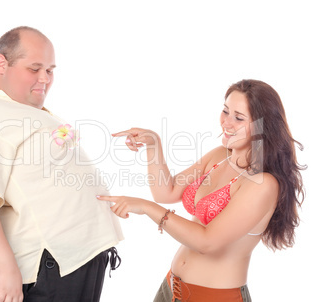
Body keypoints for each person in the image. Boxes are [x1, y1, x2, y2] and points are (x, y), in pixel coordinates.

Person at [0, 26, 123, 302]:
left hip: (72, 263)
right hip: (48, 270)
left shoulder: (17, 109)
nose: (45, 78)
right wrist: (5, 267)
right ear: (2, 63)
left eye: (50, 70)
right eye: (34, 68)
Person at [97, 79, 305, 302]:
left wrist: (147, 208)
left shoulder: (262, 184)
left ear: (263, 126)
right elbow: (167, 192)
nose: (227, 122)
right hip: (170, 288)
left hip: (214, 296)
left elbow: (207, 242)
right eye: (225, 111)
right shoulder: (218, 156)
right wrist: (153, 145)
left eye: (239, 118)